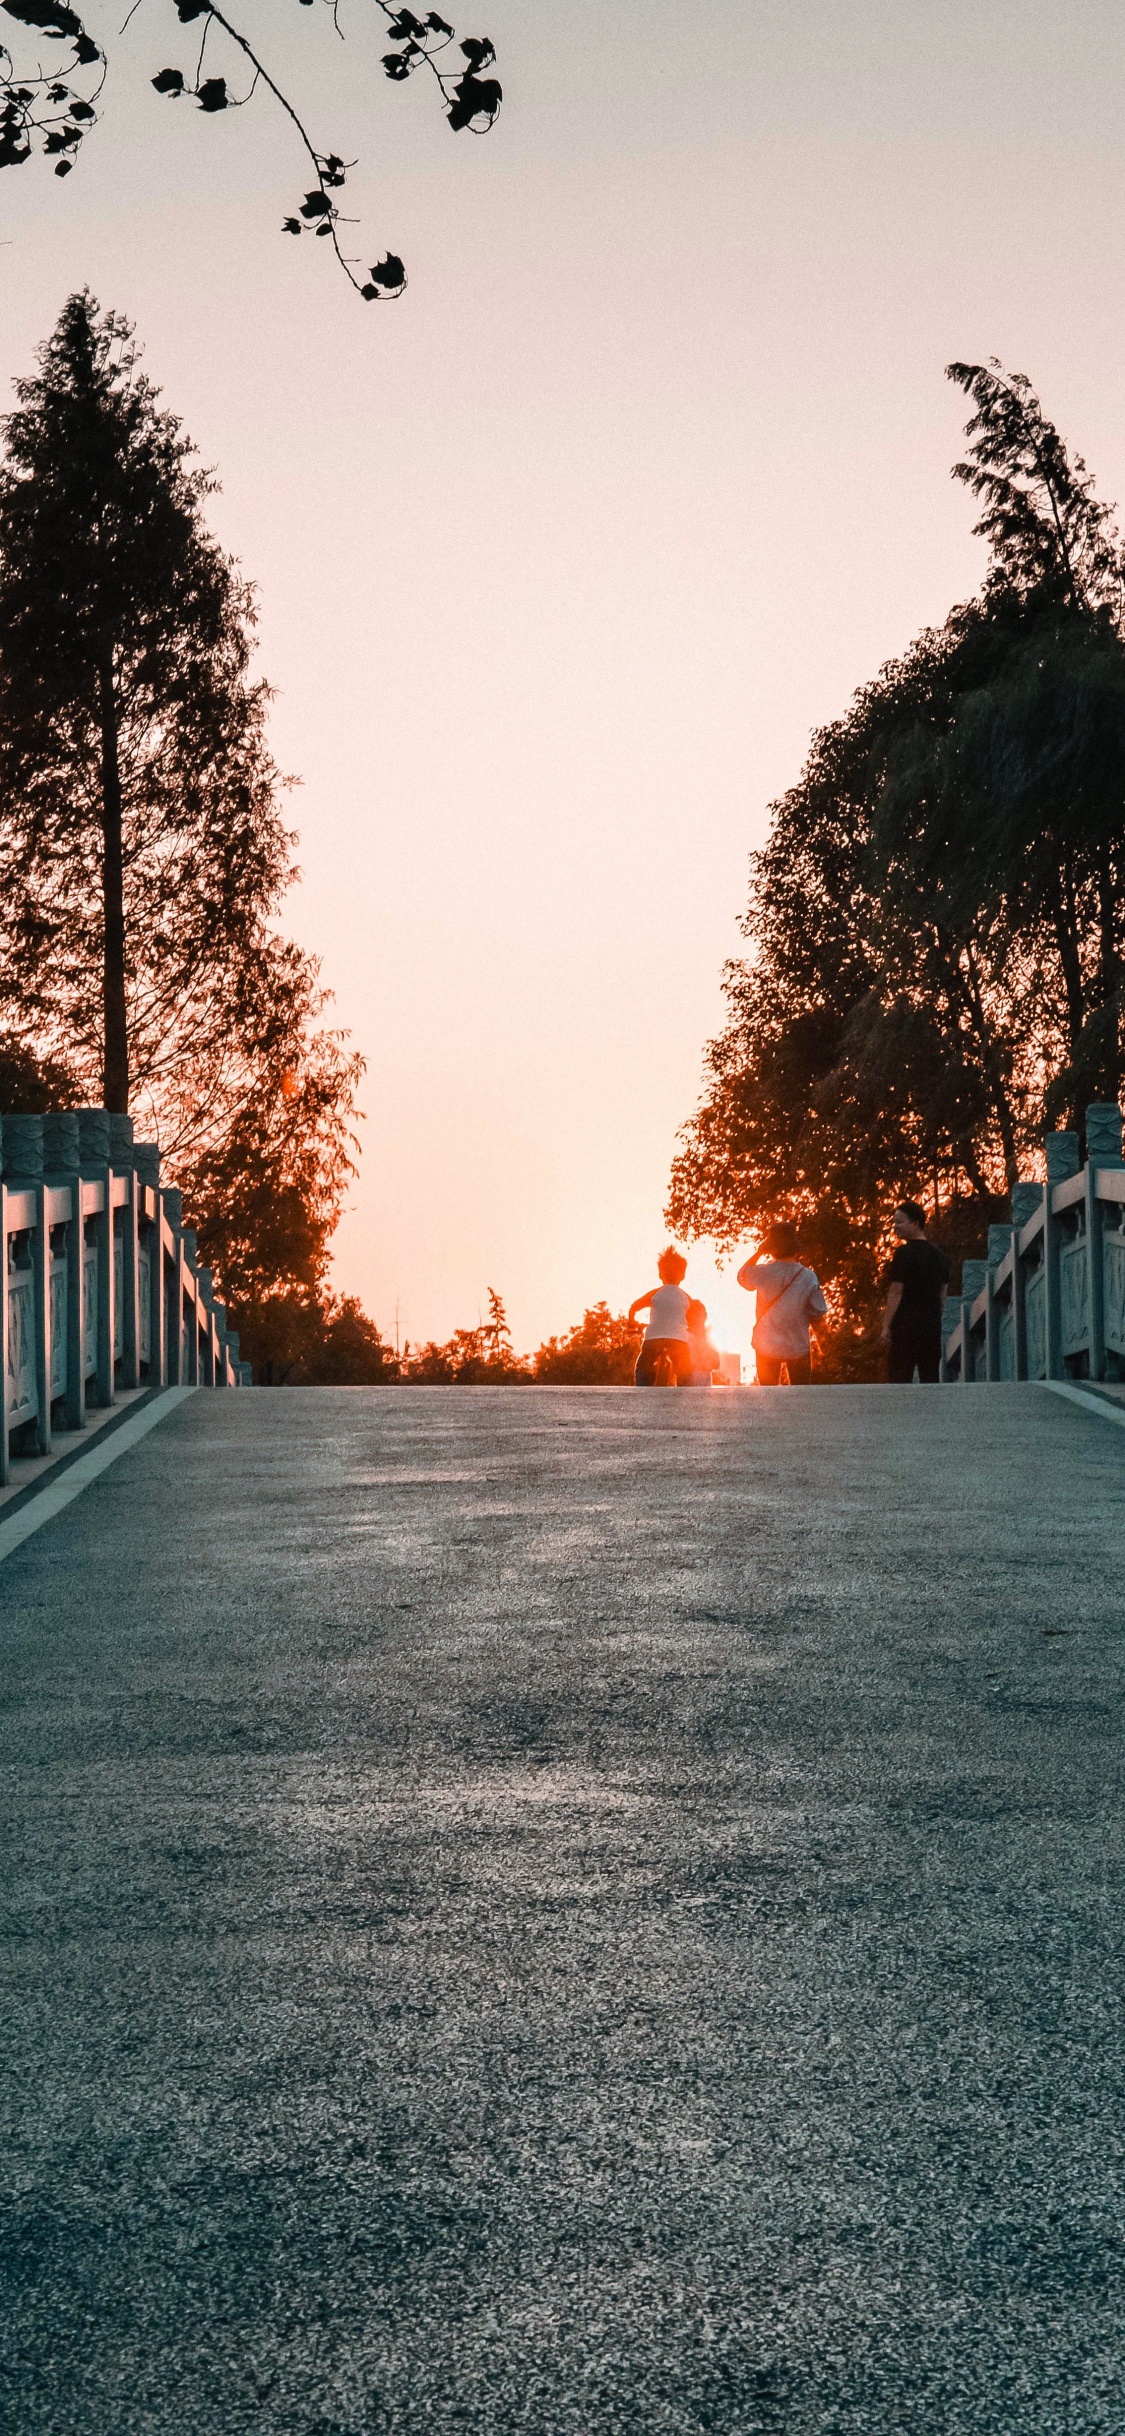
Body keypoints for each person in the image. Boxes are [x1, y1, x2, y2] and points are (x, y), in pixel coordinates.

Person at [737, 1222, 827, 1386]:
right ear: (795, 1247)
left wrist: (759, 1252)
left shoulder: (762, 1273)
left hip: (766, 1345)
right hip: (798, 1347)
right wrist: (825, 1345)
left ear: (771, 1247)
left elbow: (742, 1277)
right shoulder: (809, 1277)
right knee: (801, 1400)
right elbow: (817, 1315)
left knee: (769, 1398)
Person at [879, 1201, 950, 1382]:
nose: (895, 1227)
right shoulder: (939, 1255)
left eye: (900, 1222)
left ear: (916, 1223)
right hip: (931, 1327)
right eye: (894, 1222)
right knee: (930, 1378)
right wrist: (934, 1316)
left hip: (905, 1327)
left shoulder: (903, 1253)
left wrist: (886, 1325)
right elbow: (943, 1292)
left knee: (900, 1379)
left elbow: (896, 1291)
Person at [629, 1248, 694, 1386]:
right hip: (679, 1339)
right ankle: (686, 1394)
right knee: (685, 1371)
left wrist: (632, 1322)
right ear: (683, 1275)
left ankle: (642, 1389)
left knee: (642, 1367)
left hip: (654, 1338)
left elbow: (634, 1307)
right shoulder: (686, 1297)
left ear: (660, 1274)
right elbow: (696, 1315)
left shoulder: (655, 1294)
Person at [685, 1298, 720, 1387]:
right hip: (689, 1379)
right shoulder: (684, 1337)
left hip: (704, 1379)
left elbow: (716, 1364)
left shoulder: (708, 1338)